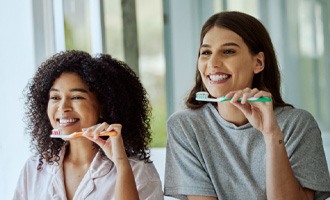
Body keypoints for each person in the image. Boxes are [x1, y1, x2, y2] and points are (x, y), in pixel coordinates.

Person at [164, 11, 330, 200]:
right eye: (206, 52)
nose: (213, 62)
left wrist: (272, 134)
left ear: (258, 62)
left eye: (228, 51)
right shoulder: (185, 127)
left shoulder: (298, 124)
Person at [14, 50, 164, 200]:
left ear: (103, 106)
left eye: (76, 97)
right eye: (55, 97)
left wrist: (121, 165)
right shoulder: (35, 169)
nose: (63, 106)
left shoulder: (137, 170)